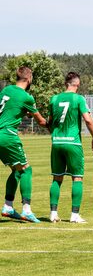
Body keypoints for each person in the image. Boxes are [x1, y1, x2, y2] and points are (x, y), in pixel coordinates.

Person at [48, 72, 93, 223]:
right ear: (77, 85)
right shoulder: (79, 99)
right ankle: (74, 215)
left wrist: (55, 135)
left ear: (66, 84)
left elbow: (49, 122)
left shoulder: (54, 99)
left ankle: (53, 214)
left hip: (56, 143)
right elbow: (88, 120)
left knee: (57, 178)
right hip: (73, 143)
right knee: (77, 178)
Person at [0, 66, 49, 223]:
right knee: (27, 170)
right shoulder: (26, 97)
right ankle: (27, 210)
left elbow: (9, 108)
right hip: (8, 135)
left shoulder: (6, 90)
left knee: (16, 169)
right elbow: (41, 121)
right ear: (29, 79)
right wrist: (51, 124)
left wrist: (24, 112)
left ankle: (8, 206)